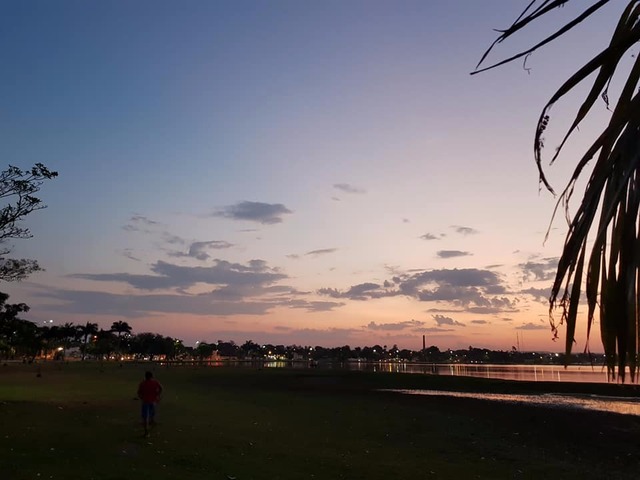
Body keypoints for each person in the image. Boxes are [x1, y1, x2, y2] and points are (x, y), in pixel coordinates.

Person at [137, 371, 163, 437]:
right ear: (152, 376)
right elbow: (161, 388)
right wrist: (157, 395)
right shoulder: (155, 382)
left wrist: (141, 397)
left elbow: (139, 392)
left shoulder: (142, 383)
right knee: (152, 412)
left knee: (145, 417)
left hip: (145, 401)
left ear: (145, 376)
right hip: (153, 401)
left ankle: (146, 432)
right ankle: (152, 421)